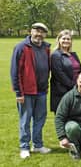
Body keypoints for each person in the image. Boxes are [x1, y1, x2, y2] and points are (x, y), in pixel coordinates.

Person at [10, 22, 51, 159]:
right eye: (36, 31)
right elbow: (15, 71)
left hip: (41, 91)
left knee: (40, 119)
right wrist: (18, 92)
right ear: (31, 31)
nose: (39, 34)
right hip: (26, 92)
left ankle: (38, 145)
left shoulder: (46, 47)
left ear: (45, 34)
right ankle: (24, 146)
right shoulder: (22, 47)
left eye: (42, 31)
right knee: (25, 120)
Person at [50, 29, 81, 114]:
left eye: (68, 39)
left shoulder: (73, 55)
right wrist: (73, 86)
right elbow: (59, 74)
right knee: (63, 118)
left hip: (75, 90)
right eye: (64, 39)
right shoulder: (55, 55)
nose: (66, 41)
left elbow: (79, 70)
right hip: (62, 92)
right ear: (59, 40)